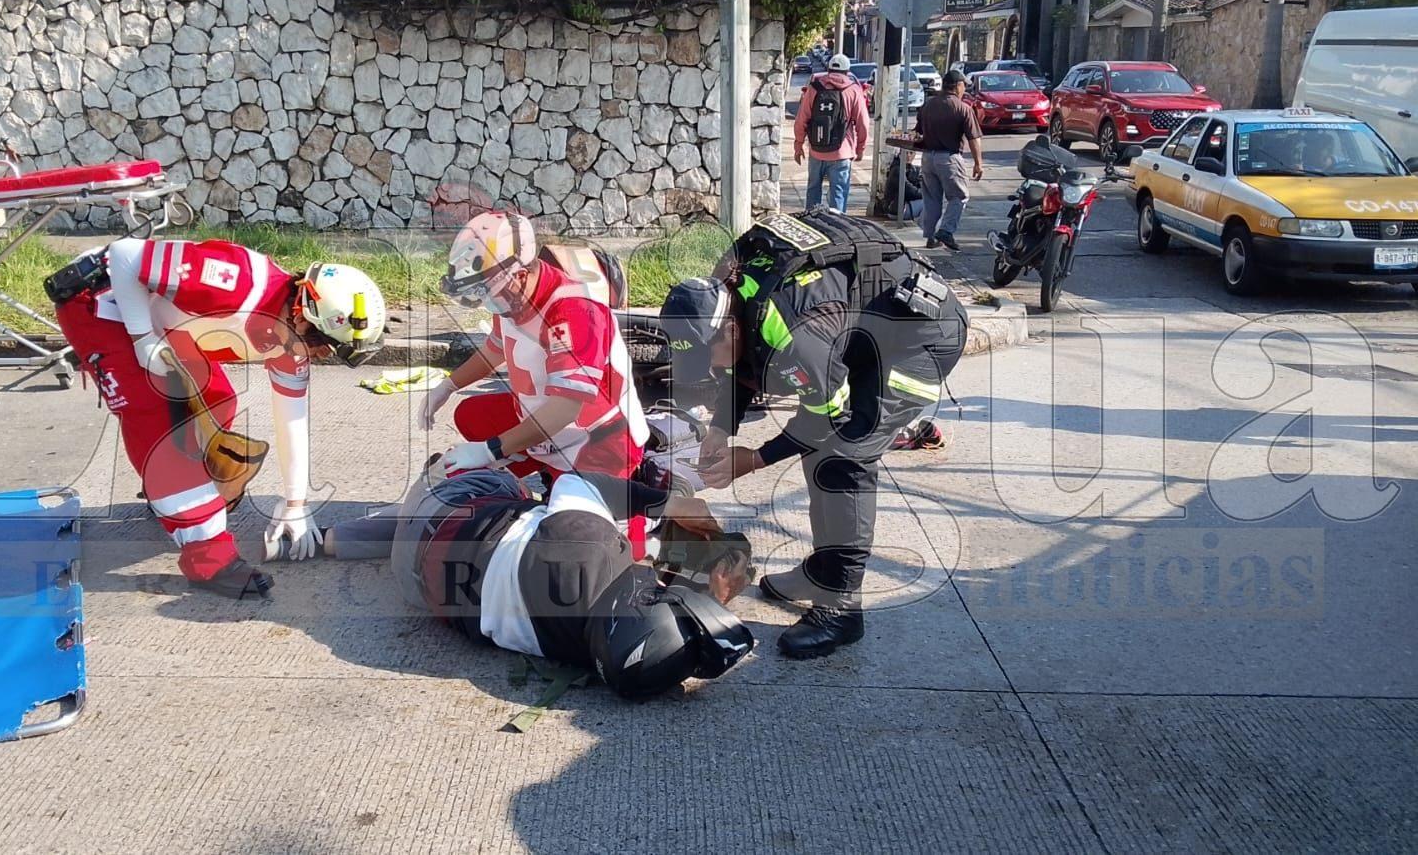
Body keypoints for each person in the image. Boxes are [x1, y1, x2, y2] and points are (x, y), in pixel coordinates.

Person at [660, 209, 968, 659]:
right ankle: (822, 570)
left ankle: (841, 608)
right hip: (860, 329)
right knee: (819, 450)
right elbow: (739, 368)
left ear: (729, 327)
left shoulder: (793, 331)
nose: (711, 368)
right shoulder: (723, 289)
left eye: (711, 355)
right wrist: (720, 430)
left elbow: (825, 417)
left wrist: (755, 459)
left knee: (844, 455)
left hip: (917, 337)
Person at [46, 239, 386, 598]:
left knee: (216, 401)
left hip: (164, 323)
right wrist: (143, 337)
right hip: (101, 305)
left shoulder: (291, 337)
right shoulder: (236, 282)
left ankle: (177, 502)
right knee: (158, 426)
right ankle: (209, 558)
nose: (320, 355)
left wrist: (296, 505)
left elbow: (292, 420)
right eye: (323, 343)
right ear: (302, 315)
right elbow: (126, 255)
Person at [324, 465, 755, 699]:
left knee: (504, 480)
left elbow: (576, 480)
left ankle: (330, 537)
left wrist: (674, 503)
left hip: (444, 512)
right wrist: (711, 602)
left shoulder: (592, 547)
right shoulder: (588, 654)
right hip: (418, 588)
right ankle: (329, 540)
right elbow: (643, 646)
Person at [423, 211, 648, 486]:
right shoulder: (511, 297)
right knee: (470, 419)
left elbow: (566, 408)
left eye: (486, 291)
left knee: (569, 524)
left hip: (600, 439)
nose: (485, 301)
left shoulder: (574, 310)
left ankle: (639, 504)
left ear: (519, 275)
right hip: (553, 431)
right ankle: (541, 463)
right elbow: (497, 349)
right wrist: (449, 385)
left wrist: (490, 449)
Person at [913, 69, 984, 251]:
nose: (964, 90)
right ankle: (946, 230)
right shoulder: (963, 108)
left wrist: (910, 154)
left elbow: (917, 133)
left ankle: (930, 237)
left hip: (928, 158)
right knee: (959, 196)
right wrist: (978, 163)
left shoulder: (928, 106)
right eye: (964, 86)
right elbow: (974, 138)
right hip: (949, 158)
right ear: (958, 86)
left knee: (931, 199)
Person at [793, 54, 870, 212]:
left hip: (816, 150)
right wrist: (860, 149)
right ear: (847, 71)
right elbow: (863, 123)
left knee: (813, 190)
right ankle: (837, 229)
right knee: (838, 194)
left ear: (828, 69)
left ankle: (812, 225)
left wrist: (798, 145)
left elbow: (801, 119)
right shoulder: (853, 90)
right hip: (842, 153)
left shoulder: (814, 88)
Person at [882, 151, 924, 221]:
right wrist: (926, 194)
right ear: (899, 154)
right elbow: (910, 191)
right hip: (896, 210)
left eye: (911, 153)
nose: (908, 156)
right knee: (929, 203)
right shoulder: (897, 170)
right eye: (905, 153)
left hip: (898, 207)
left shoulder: (907, 168)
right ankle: (923, 227)